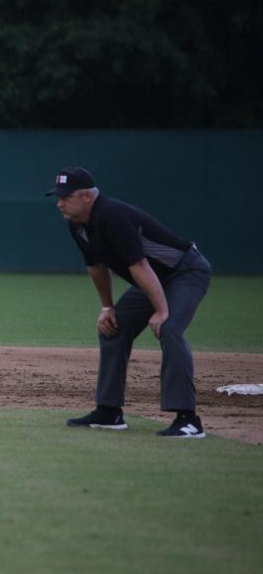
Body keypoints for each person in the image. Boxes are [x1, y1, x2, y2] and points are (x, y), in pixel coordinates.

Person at [47, 166, 212, 438]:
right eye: (58, 196)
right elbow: (96, 266)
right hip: (151, 279)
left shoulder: (112, 216)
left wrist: (161, 310)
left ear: (87, 196)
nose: (59, 202)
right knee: (113, 328)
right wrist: (107, 307)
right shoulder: (77, 224)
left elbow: (139, 265)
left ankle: (188, 420)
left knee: (169, 328)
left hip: (184, 271)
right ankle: (109, 411)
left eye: (66, 196)